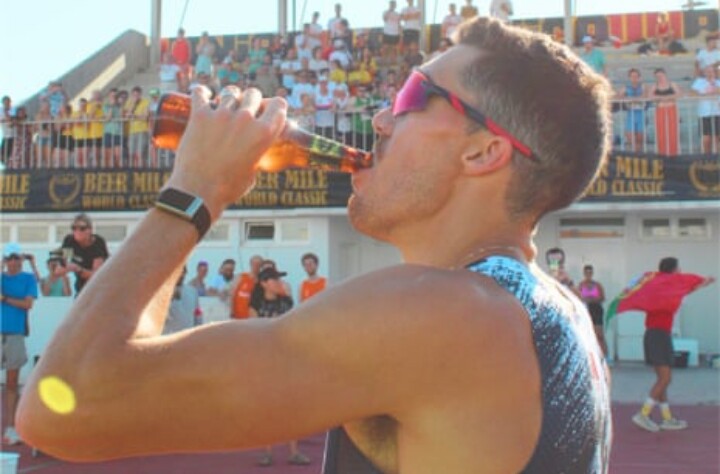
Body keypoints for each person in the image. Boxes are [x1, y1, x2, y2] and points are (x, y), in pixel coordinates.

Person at [18, 18, 614, 473]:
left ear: (484, 152)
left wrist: (196, 188)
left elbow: (64, 406)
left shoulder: (445, 311)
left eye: (413, 95)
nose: (381, 120)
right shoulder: (552, 310)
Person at [607, 257, 715, 432]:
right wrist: (703, 281)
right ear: (674, 270)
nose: (680, 270)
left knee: (662, 379)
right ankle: (643, 414)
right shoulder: (669, 287)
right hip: (659, 336)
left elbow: (684, 290)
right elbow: (685, 286)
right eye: (678, 268)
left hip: (652, 335)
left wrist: (702, 284)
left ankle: (667, 418)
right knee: (666, 379)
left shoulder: (659, 288)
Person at [248, 266, 311, 466]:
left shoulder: (287, 302)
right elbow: (254, 332)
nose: (279, 283)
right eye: (274, 280)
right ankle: (267, 452)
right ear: (264, 283)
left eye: (279, 279)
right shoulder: (255, 305)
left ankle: (294, 451)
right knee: (268, 408)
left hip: (286, 358)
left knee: (291, 406)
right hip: (265, 360)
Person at [1, 243, 38, 445]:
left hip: (15, 334)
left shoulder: (28, 278)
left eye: (17, 258)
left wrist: (4, 298)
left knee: (12, 382)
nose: (14, 262)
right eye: (10, 258)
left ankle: (11, 427)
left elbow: (27, 304)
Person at [61, 213, 110, 295]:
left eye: (82, 228)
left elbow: (96, 276)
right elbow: (64, 263)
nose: (77, 231)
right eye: (74, 228)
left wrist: (78, 269)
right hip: (81, 288)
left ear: (90, 230)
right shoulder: (69, 241)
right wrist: (63, 267)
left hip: (100, 288)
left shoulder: (97, 243)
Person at [649, 68, 681, 156]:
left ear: (665, 75)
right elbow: (650, 96)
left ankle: (673, 153)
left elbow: (679, 94)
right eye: (657, 76)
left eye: (661, 76)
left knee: (673, 131)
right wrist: (664, 98)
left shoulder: (672, 84)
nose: (660, 78)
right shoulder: (655, 86)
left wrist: (666, 97)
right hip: (660, 109)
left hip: (671, 109)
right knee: (661, 132)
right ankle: (662, 153)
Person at [578, 265, 608, 357]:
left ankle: (605, 356)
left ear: (592, 273)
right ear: (584, 273)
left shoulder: (597, 285)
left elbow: (602, 298)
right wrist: (585, 300)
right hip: (586, 310)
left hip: (596, 310)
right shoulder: (581, 285)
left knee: (600, 335)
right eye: (587, 273)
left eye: (590, 272)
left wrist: (591, 299)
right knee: (587, 335)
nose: (588, 274)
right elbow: (578, 298)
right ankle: (592, 356)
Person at [691, 65, 720, 155]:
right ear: (704, 73)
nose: (710, 73)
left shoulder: (718, 82)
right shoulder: (699, 82)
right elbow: (693, 93)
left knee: (717, 137)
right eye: (707, 71)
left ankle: (717, 157)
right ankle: (706, 157)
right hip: (704, 113)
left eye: (711, 71)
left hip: (717, 112)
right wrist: (704, 94)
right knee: (706, 138)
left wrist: (714, 88)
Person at [617, 68, 647, 153]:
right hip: (631, 114)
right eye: (632, 76)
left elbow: (645, 95)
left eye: (636, 76)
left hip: (641, 114)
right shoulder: (626, 87)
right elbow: (618, 96)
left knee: (640, 137)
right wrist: (630, 99)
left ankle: (639, 153)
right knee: (629, 135)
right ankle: (635, 153)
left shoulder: (643, 86)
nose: (634, 78)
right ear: (629, 78)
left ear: (639, 77)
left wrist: (631, 99)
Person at [163, 266, 200, 335]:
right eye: (179, 272)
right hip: (169, 336)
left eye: (183, 272)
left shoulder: (192, 291)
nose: (181, 275)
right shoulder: (162, 292)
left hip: (189, 335)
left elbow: (197, 313)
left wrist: (199, 330)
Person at [229, 255, 263, 320]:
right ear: (250, 264)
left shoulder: (262, 281)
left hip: (253, 317)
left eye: (258, 264)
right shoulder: (241, 277)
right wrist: (231, 310)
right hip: (238, 315)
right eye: (254, 264)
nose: (256, 266)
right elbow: (232, 294)